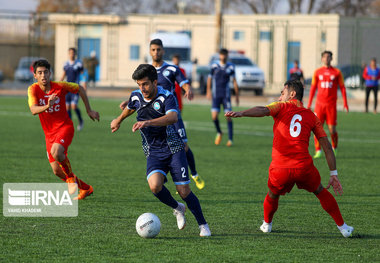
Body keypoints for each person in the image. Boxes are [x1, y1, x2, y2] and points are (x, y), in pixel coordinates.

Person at [225, 80, 354, 238]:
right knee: (320, 191)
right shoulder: (311, 116)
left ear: (292, 94)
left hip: (280, 168)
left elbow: (263, 110)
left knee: (273, 193)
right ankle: (344, 228)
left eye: (282, 93)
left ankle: (267, 224)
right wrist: (333, 174)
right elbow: (327, 146)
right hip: (303, 167)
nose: (280, 97)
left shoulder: (281, 106)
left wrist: (242, 113)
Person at [111, 64, 211, 237]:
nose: (142, 88)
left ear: (155, 82)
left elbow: (172, 117)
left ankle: (203, 225)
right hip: (153, 150)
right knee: (155, 186)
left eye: (146, 84)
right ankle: (178, 208)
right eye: (139, 84)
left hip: (174, 148)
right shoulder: (136, 96)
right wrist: (119, 119)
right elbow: (131, 106)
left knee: (184, 191)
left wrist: (148, 122)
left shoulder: (167, 96)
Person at [120, 39, 205, 190]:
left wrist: (187, 89)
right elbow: (142, 93)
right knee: (157, 148)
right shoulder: (145, 71)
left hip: (171, 115)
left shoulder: (172, 69)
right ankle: (163, 174)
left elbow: (183, 81)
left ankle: (194, 174)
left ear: (163, 51)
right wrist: (128, 102)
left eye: (158, 49)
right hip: (152, 117)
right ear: (150, 51)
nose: (156, 52)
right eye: (153, 49)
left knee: (183, 146)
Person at [28, 59, 100, 200]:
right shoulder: (33, 89)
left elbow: (79, 88)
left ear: (50, 73)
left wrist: (89, 110)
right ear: (35, 75)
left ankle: (70, 179)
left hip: (64, 127)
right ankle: (86, 188)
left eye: (46, 72)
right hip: (49, 135)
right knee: (56, 171)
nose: (43, 76)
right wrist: (48, 106)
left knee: (57, 152)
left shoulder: (60, 86)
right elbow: (33, 110)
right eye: (40, 73)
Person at [307, 51, 349, 159]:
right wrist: (309, 103)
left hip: (331, 106)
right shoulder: (317, 72)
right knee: (317, 129)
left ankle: (334, 148)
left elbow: (343, 88)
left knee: (332, 130)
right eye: (325, 57)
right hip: (319, 105)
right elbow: (313, 88)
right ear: (322, 59)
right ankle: (318, 150)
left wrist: (345, 103)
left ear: (331, 59)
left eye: (329, 57)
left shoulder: (337, 72)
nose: (327, 58)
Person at [206, 48, 239, 147]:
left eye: (224, 55)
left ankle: (230, 139)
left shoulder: (231, 67)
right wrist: (208, 90)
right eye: (221, 55)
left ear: (227, 56)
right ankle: (219, 132)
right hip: (216, 95)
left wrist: (237, 95)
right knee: (214, 117)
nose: (223, 57)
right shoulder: (214, 65)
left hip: (226, 96)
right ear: (219, 56)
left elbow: (234, 81)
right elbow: (209, 78)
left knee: (228, 117)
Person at [60, 47, 85, 131]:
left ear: (75, 54)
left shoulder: (79, 63)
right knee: (67, 108)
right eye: (70, 53)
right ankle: (69, 125)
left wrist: (84, 84)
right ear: (68, 54)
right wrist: (58, 84)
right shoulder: (66, 64)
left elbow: (83, 74)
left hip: (75, 88)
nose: (72, 54)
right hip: (67, 88)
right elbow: (63, 75)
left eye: (73, 53)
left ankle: (81, 121)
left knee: (74, 106)